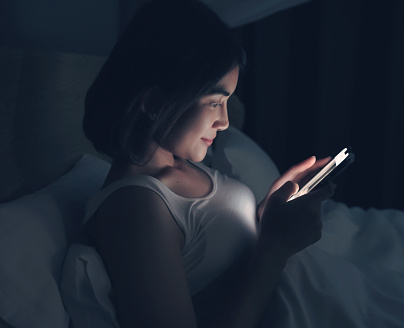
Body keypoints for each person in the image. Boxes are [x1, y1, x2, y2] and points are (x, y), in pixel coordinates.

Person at [79, 0, 335, 327]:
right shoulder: (136, 207)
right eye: (215, 102)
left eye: (227, 102)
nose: (225, 122)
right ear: (153, 100)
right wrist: (275, 249)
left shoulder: (178, 162)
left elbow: (215, 250)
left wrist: (267, 212)